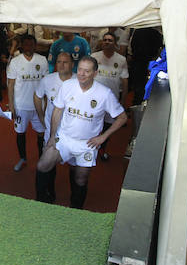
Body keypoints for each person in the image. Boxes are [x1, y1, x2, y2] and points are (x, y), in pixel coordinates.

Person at [36, 56, 127, 209]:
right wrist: (52, 136)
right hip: (64, 138)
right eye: (80, 70)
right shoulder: (67, 86)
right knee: (42, 165)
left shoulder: (104, 94)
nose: (82, 74)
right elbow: (57, 110)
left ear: (95, 73)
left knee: (81, 179)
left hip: (87, 144)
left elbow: (122, 117)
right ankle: (39, 202)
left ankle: (76, 209)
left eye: (87, 71)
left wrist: (103, 137)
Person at [33, 51, 74, 203]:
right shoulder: (47, 80)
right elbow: (37, 97)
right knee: (47, 165)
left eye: (65, 62)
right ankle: (47, 195)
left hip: (73, 135)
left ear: (72, 64)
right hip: (52, 133)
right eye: (59, 62)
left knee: (77, 171)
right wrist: (42, 117)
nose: (62, 65)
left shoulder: (79, 81)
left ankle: (75, 203)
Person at [7, 33, 48, 172]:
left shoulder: (42, 60)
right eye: (26, 44)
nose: (29, 47)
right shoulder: (15, 61)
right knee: (20, 133)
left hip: (39, 107)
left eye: (31, 44)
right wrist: (12, 106)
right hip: (21, 106)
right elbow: (11, 85)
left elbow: (46, 84)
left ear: (35, 46)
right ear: (21, 45)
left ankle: (42, 158)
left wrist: (46, 104)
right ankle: (23, 158)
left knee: (42, 133)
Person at [91, 31, 129, 160]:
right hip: (94, 99)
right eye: (105, 40)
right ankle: (90, 146)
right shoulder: (94, 57)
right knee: (93, 122)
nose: (107, 42)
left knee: (109, 124)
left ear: (115, 44)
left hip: (112, 99)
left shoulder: (121, 60)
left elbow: (124, 81)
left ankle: (102, 148)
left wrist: (123, 101)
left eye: (110, 40)